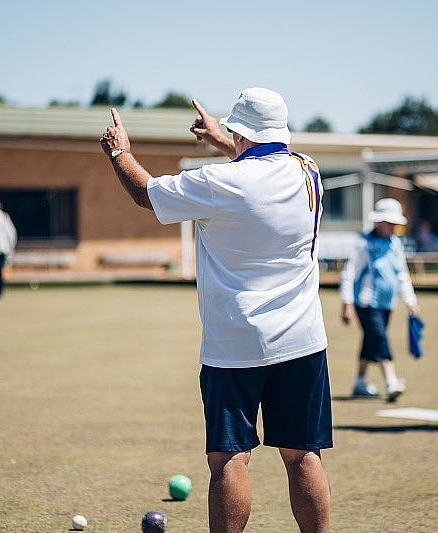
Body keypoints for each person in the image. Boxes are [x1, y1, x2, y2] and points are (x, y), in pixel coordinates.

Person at [100, 88, 331, 533]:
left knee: (229, 458)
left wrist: (119, 152)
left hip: (233, 343)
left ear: (239, 133)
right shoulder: (309, 172)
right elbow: (259, 158)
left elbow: (145, 193)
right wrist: (223, 141)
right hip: (303, 338)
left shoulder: (216, 182)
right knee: (303, 453)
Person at [339, 198, 420, 401]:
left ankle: (360, 382)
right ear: (378, 222)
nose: (392, 228)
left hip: (387, 303)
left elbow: (402, 274)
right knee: (380, 338)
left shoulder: (395, 244)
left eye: (394, 224)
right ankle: (391, 380)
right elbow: (349, 274)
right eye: (389, 223)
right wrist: (347, 304)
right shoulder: (364, 244)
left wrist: (410, 301)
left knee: (371, 340)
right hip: (366, 303)